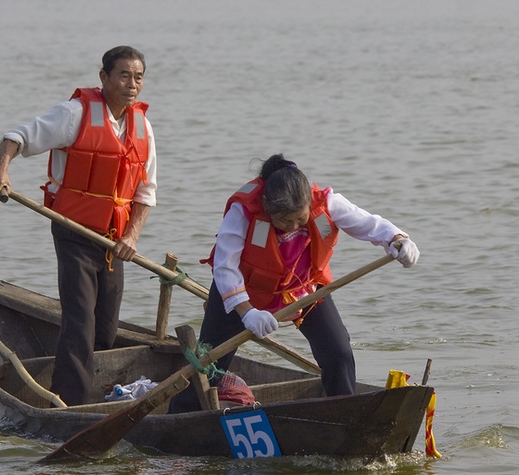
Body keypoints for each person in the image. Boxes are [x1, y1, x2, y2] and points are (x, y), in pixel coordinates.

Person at [169, 154, 419, 413]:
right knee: (210, 367)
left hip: (303, 291)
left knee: (339, 354)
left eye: (300, 219)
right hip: (244, 293)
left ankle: (344, 415)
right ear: (266, 205)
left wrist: (397, 240)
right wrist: (248, 312)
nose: (293, 226)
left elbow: (369, 224)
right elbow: (224, 267)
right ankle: (175, 424)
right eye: (285, 221)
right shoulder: (243, 211)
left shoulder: (326, 202)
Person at [0, 46, 156, 406]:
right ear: (104, 78)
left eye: (138, 77)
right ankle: (72, 403)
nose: (132, 84)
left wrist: (132, 236)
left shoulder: (142, 127)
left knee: (106, 327)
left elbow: (145, 191)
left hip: (113, 242)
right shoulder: (74, 114)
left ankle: (101, 392)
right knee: (79, 320)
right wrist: (1, 169)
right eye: (123, 75)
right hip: (74, 231)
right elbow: (17, 136)